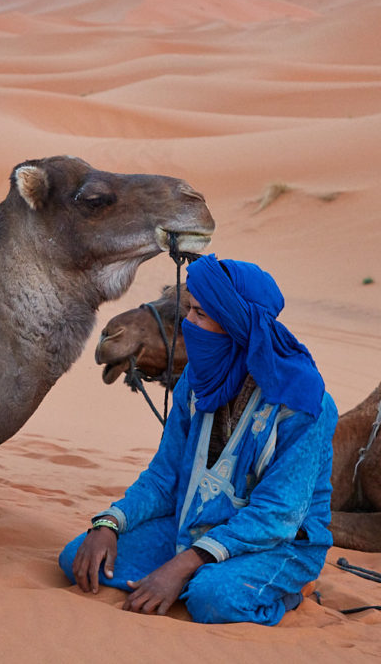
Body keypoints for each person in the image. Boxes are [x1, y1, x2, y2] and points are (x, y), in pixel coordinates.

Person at [59, 254, 339, 625]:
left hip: (279, 543)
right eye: (189, 311)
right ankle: (197, 572)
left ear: (236, 326)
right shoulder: (197, 381)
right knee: (80, 556)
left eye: (200, 315)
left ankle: (289, 591)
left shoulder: (303, 404)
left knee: (212, 599)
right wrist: (109, 523)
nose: (189, 324)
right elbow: (164, 477)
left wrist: (183, 564)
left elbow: (277, 516)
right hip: (194, 525)